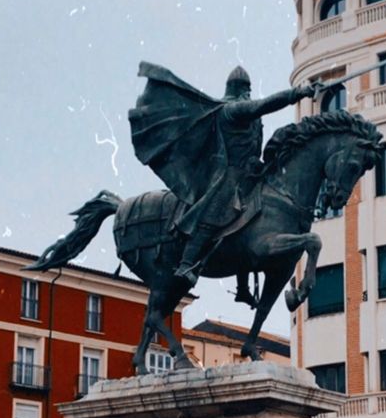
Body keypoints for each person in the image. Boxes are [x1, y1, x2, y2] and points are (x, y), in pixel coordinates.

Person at [128, 62, 315, 294]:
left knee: (258, 219)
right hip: (228, 174)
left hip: (251, 171)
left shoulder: (248, 114)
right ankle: (187, 262)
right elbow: (264, 105)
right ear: (239, 90)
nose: (248, 93)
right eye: (245, 89)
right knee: (217, 211)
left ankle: (243, 285)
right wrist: (296, 94)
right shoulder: (231, 110)